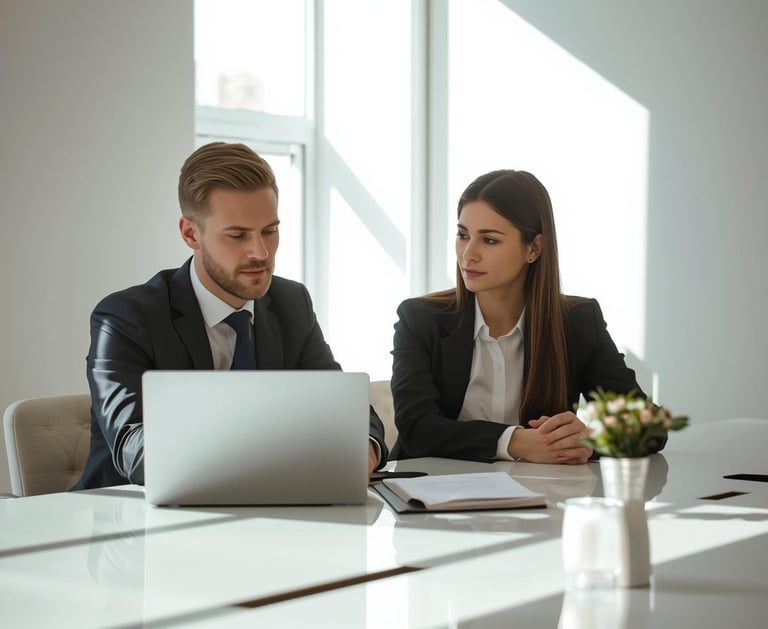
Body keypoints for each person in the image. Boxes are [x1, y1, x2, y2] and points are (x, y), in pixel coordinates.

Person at [73, 142, 388, 490]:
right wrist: (283, 446)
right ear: (190, 233)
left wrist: (364, 449)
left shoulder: (291, 303)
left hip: (264, 518)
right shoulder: (125, 319)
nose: (261, 252)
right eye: (237, 235)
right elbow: (136, 452)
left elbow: (346, 408)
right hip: (132, 526)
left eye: (270, 230)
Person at [390, 169, 665, 464]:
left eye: (490, 240)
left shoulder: (579, 322)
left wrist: (589, 439)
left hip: (538, 497)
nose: (468, 255)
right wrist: (514, 442)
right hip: (429, 496)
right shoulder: (420, 319)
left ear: (533, 248)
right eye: (462, 235)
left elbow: (649, 426)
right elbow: (416, 429)